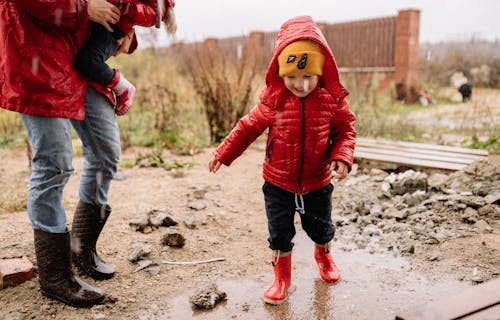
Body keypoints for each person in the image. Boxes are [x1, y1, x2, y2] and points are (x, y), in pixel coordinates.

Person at [208, 15, 356, 305]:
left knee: (321, 226)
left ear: (320, 72)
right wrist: (223, 153)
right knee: (279, 233)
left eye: (307, 77)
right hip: (278, 183)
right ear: (280, 73)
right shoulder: (273, 100)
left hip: (317, 182)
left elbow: (346, 129)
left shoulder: (330, 99)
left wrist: (342, 155)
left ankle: (323, 256)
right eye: (291, 77)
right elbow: (247, 128)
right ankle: (281, 277)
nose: (299, 85)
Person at [0, 0, 135, 307]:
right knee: (55, 164)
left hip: (79, 60)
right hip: (38, 54)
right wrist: (82, 8)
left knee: (106, 154)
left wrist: (125, 32)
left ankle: (80, 249)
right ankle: (56, 277)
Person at [75, 0, 177, 116]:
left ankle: (121, 86)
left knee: (88, 59)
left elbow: (154, 14)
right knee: (84, 57)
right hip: (104, 18)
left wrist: (130, 8)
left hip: (115, 29)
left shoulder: (161, 4)